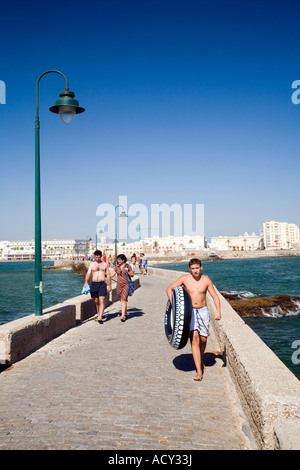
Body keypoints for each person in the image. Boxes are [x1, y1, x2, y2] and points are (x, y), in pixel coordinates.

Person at [166, 258, 221, 381]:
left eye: (197, 268)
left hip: (203, 311)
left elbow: (215, 296)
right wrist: (174, 304)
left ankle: (200, 358)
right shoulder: (185, 279)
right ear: (189, 269)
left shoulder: (206, 280)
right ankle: (199, 371)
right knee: (194, 338)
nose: (195, 271)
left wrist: (218, 311)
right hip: (190, 312)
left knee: (203, 339)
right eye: (193, 269)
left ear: (201, 267)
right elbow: (169, 288)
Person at [84, 250, 111, 324]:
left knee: (101, 299)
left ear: (101, 256)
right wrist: (86, 282)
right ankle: (99, 314)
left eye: (99, 257)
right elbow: (88, 273)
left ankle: (100, 317)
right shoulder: (92, 265)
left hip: (102, 283)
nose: (98, 258)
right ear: (94, 257)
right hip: (94, 284)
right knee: (96, 301)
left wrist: (109, 285)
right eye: (96, 257)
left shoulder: (104, 264)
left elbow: (108, 274)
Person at [110, 254, 134, 322]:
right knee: (121, 299)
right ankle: (125, 312)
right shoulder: (116, 267)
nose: (118, 261)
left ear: (123, 260)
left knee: (123, 299)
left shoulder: (127, 266)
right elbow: (112, 274)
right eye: (118, 260)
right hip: (119, 285)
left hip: (126, 285)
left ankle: (123, 316)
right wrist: (105, 276)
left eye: (120, 260)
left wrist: (127, 271)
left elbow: (132, 274)